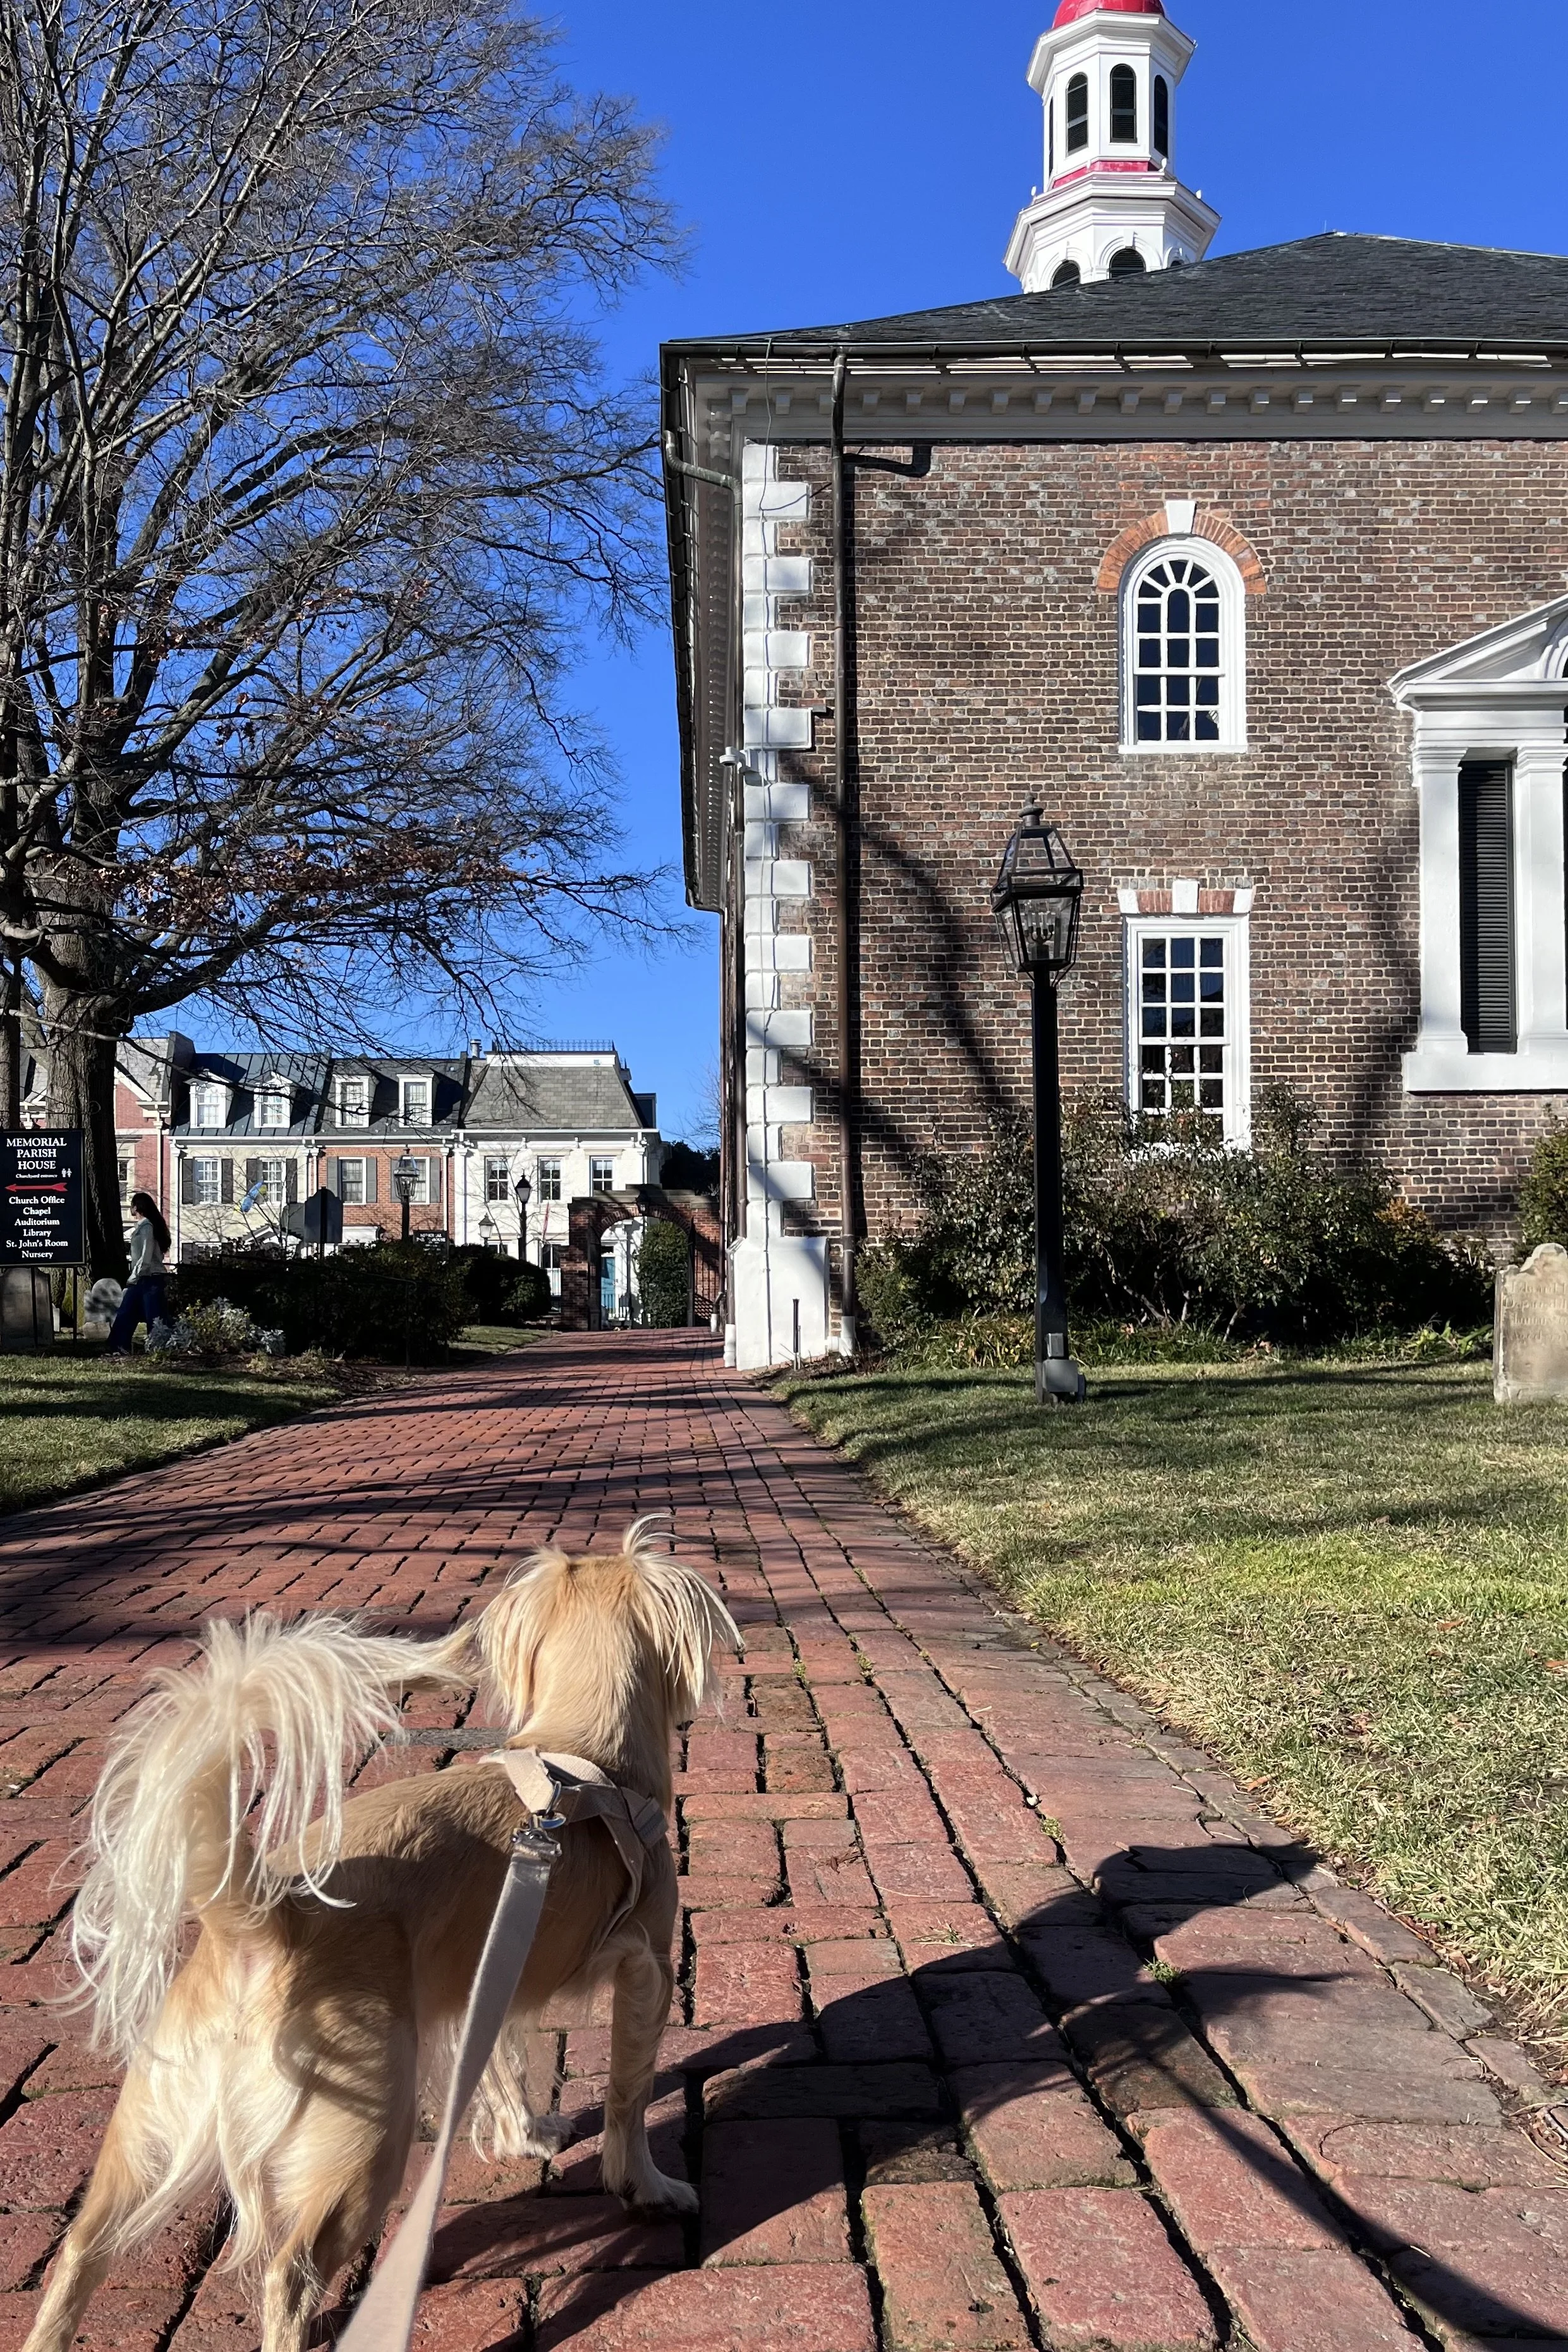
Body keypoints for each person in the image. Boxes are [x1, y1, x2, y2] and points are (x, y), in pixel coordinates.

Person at [107, 1192, 171, 1356]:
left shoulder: (147, 1227)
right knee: (127, 1312)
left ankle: (158, 1348)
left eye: (133, 1205)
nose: (131, 1208)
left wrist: (135, 1276)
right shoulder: (144, 1226)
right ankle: (119, 1346)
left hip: (150, 1278)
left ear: (138, 1207)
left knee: (154, 1315)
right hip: (144, 1278)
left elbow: (145, 1255)